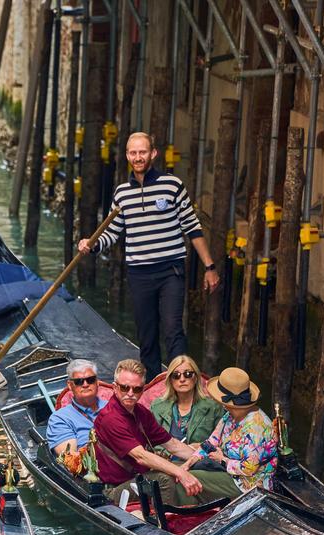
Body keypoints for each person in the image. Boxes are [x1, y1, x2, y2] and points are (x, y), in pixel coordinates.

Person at [78, 132, 221, 378]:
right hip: (139, 273)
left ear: (153, 153)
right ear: (126, 156)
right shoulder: (122, 194)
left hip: (170, 270)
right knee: (146, 334)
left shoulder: (172, 185)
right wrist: (92, 244)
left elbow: (192, 227)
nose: (138, 157)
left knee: (173, 330)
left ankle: (181, 384)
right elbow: (112, 232)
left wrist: (209, 267)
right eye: (133, 153)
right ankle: (153, 387)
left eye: (142, 152)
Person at [92, 359, 241, 507]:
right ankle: (168, 523)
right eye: (125, 388)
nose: (130, 393)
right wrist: (181, 473)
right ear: (115, 387)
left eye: (136, 389)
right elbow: (141, 457)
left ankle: (223, 499)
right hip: (115, 488)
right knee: (165, 478)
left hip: (138, 478)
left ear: (142, 390)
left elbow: (173, 445)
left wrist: (205, 460)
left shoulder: (141, 412)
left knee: (191, 465)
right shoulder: (110, 419)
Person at [197, 367, 279, 491]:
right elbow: (212, 441)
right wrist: (189, 462)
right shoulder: (230, 415)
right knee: (183, 469)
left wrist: (223, 460)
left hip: (248, 485)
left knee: (192, 478)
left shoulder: (255, 429)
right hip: (227, 472)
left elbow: (249, 468)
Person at [149, 355, 222, 462]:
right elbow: (150, 442)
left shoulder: (213, 407)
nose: (182, 379)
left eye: (188, 374)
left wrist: (197, 447)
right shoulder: (157, 406)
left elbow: (221, 443)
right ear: (170, 380)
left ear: (196, 377)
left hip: (199, 465)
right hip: (164, 464)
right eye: (176, 375)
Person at [46, 359, 108, 458]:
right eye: (79, 381)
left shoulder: (113, 407)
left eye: (90, 380)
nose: (85, 385)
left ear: (97, 382)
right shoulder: (60, 418)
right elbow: (71, 459)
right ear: (70, 385)